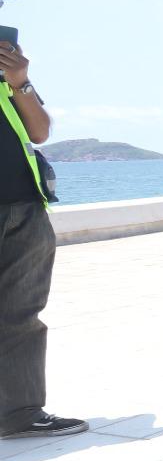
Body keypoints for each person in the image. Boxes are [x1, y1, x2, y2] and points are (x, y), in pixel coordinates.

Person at [0, 37, 86, 440]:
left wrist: (20, 80)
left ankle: (20, 412)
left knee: (21, 314)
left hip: (24, 208)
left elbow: (39, 131)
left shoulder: (7, 78)